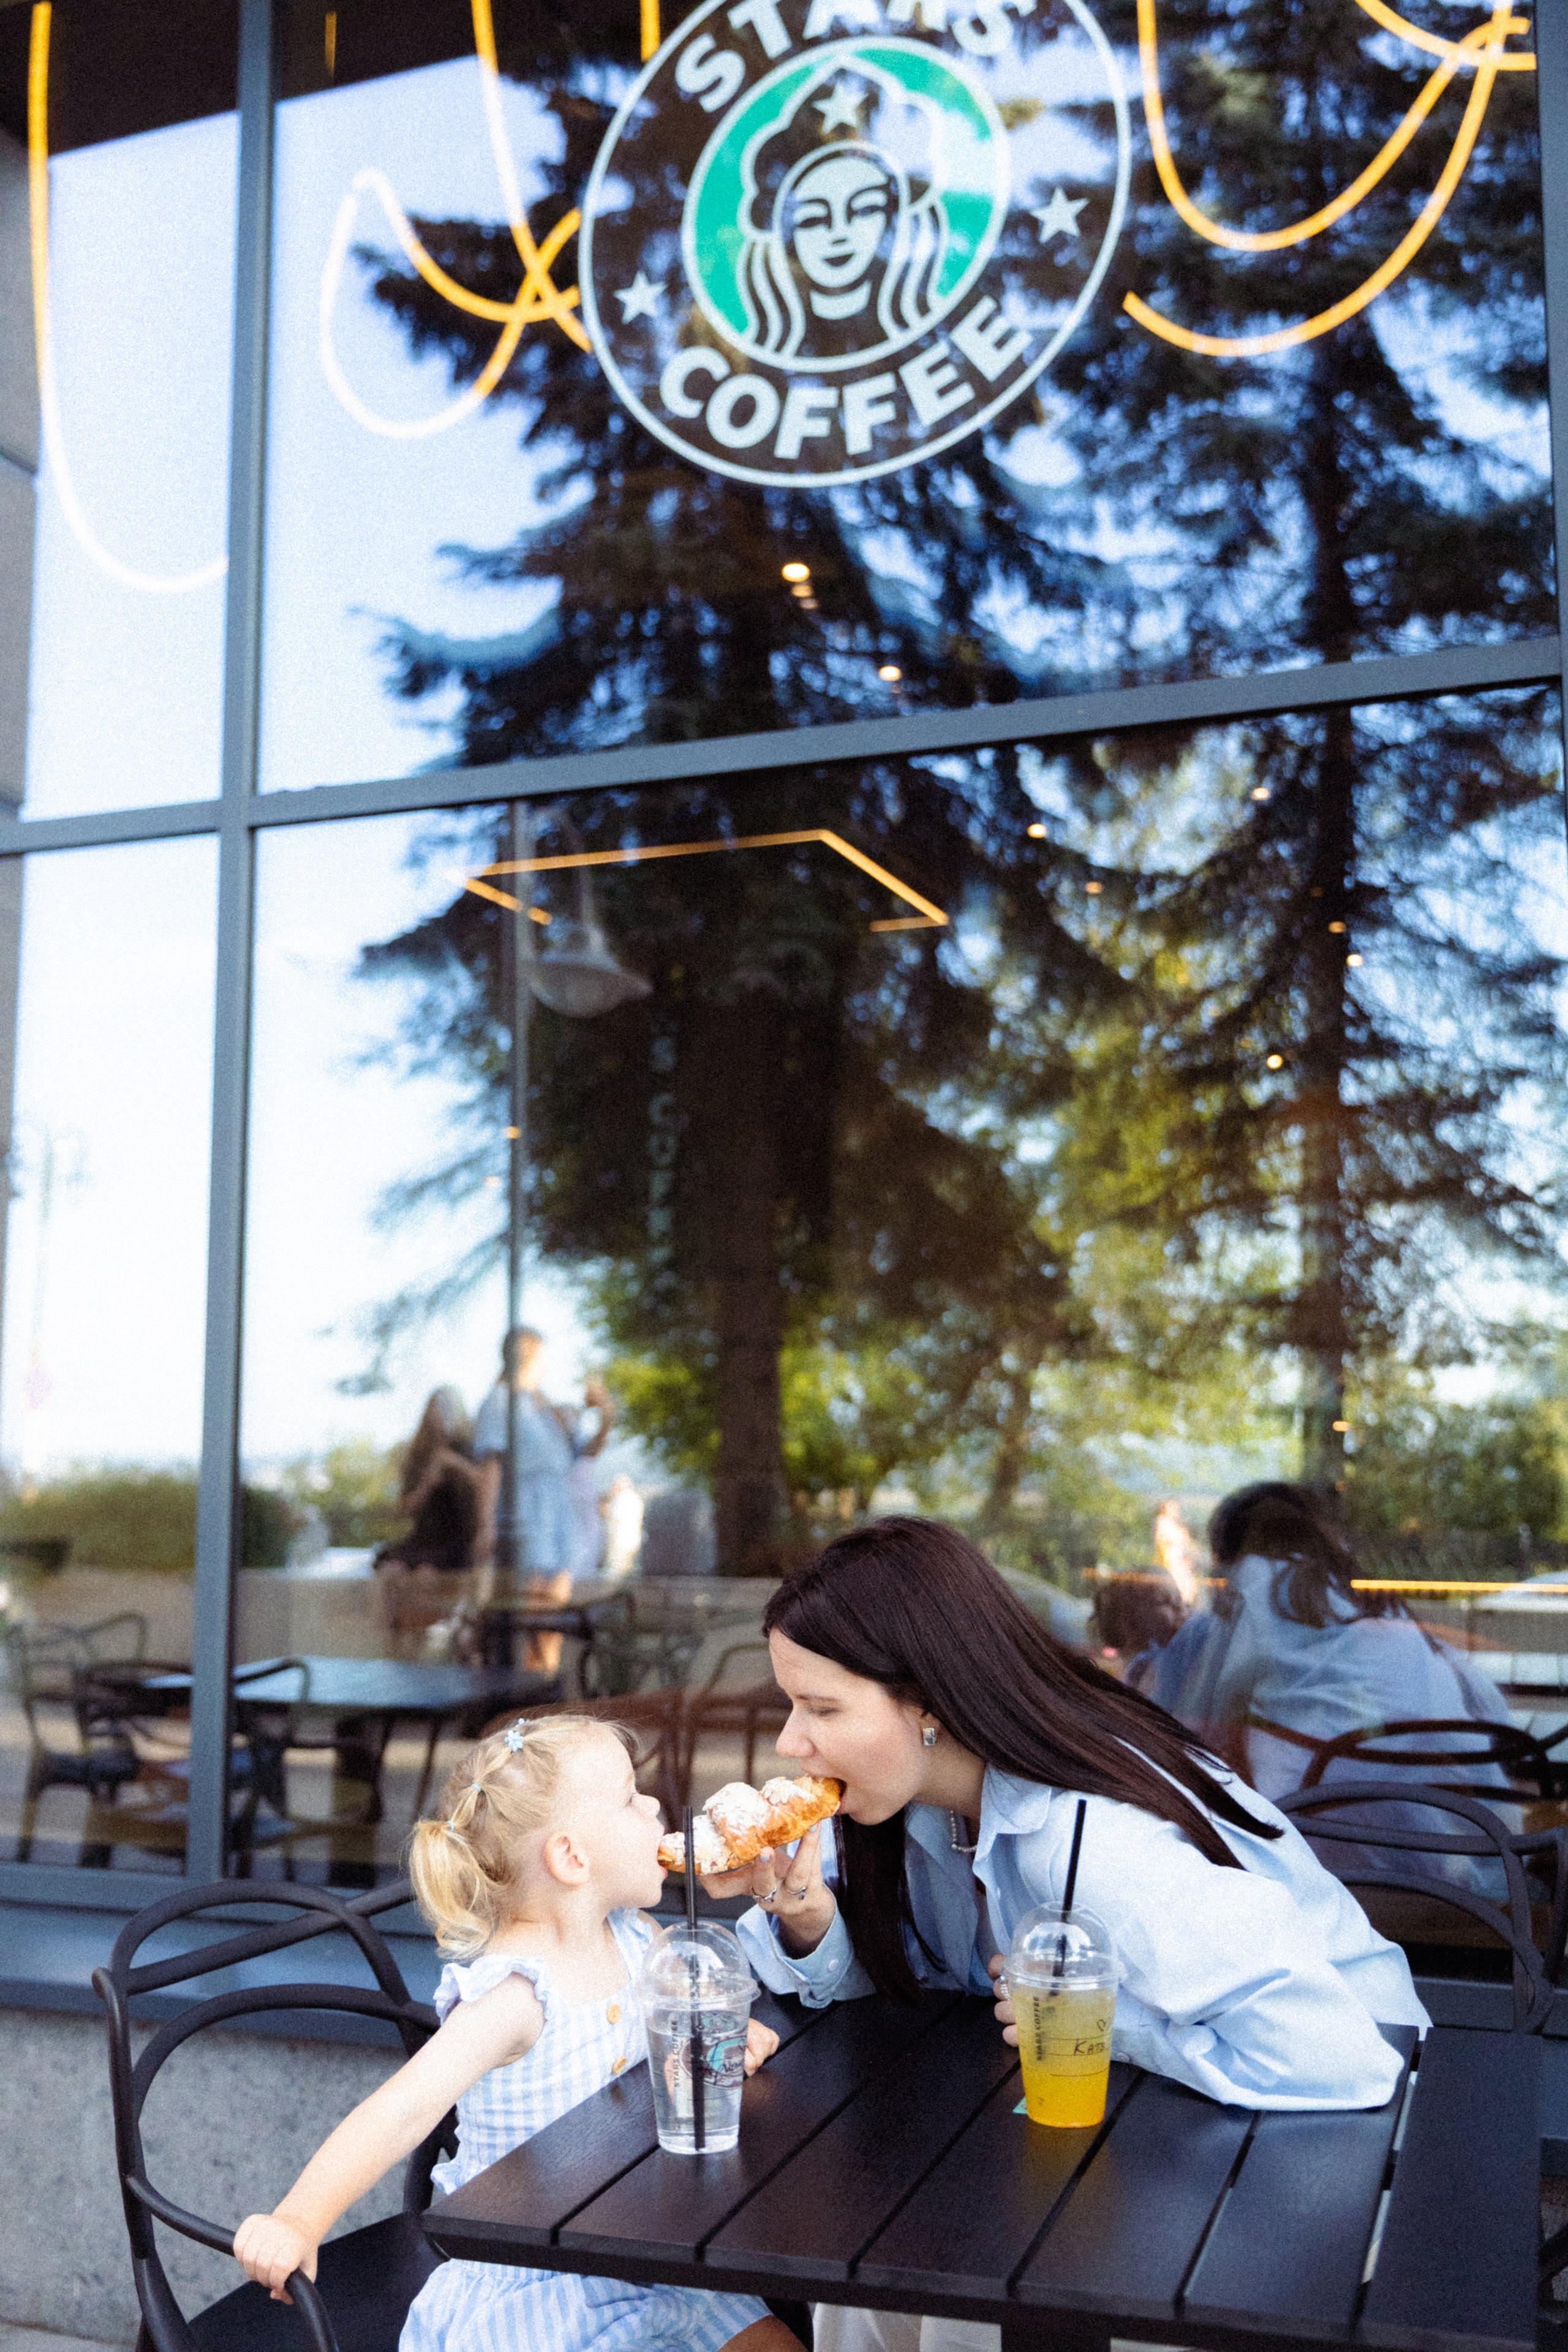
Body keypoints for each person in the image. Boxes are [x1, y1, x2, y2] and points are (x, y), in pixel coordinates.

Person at [699, 1517, 1428, 2352]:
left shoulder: (1103, 1844)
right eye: (792, 1703)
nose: (791, 1741)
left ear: (930, 1699)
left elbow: (1339, 2054)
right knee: (868, 2281)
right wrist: (809, 1915)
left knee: (956, 2298)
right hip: (1152, 2122)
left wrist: (1111, 2028)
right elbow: (915, 1977)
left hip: (1327, 2152)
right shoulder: (913, 1805)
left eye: (822, 1707)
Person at [233, 1714, 800, 2352]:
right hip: (541, 2284)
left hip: (654, 2255)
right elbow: (402, 2111)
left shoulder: (638, 1935)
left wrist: (722, 2037)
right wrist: (298, 2220)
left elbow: (687, 2021)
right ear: (571, 1857)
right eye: (628, 1797)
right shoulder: (516, 1995)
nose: (656, 1807)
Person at [1136, 1482, 1517, 1813]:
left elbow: (1204, 1712)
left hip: (1320, 1810)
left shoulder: (1254, 1579)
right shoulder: (1361, 1589)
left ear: (1234, 1546)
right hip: (1447, 1813)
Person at [473, 1330, 616, 1669]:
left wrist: (606, 1415)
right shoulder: (500, 1402)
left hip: (557, 1514)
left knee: (554, 1611)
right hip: (528, 1514)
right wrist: (486, 1525)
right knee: (534, 1613)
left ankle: (545, 1685)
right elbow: (492, 1467)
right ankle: (530, 1691)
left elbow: (587, 1452)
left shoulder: (544, 1406)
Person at [376, 1387, 482, 1657]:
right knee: (394, 1574)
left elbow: (485, 1487)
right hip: (423, 1538)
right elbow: (406, 1509)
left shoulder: (467, 1449)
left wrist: (456, 1465)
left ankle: (425, 1649)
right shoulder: (418, 1455)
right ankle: (400, 1652)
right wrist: (427, 1482)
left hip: (453, 1542)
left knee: (426, 1576)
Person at [1151, 1498, 1202, 1606]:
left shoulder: (1177, 1525)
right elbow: (1159, 1540)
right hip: (1169, 1559)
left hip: (1181, 1559)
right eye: (1172, 1508)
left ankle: (1186, 1605)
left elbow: (1188, 1543)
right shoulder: (1161, 1521)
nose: (1176, 1510)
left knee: (1189, 1585)